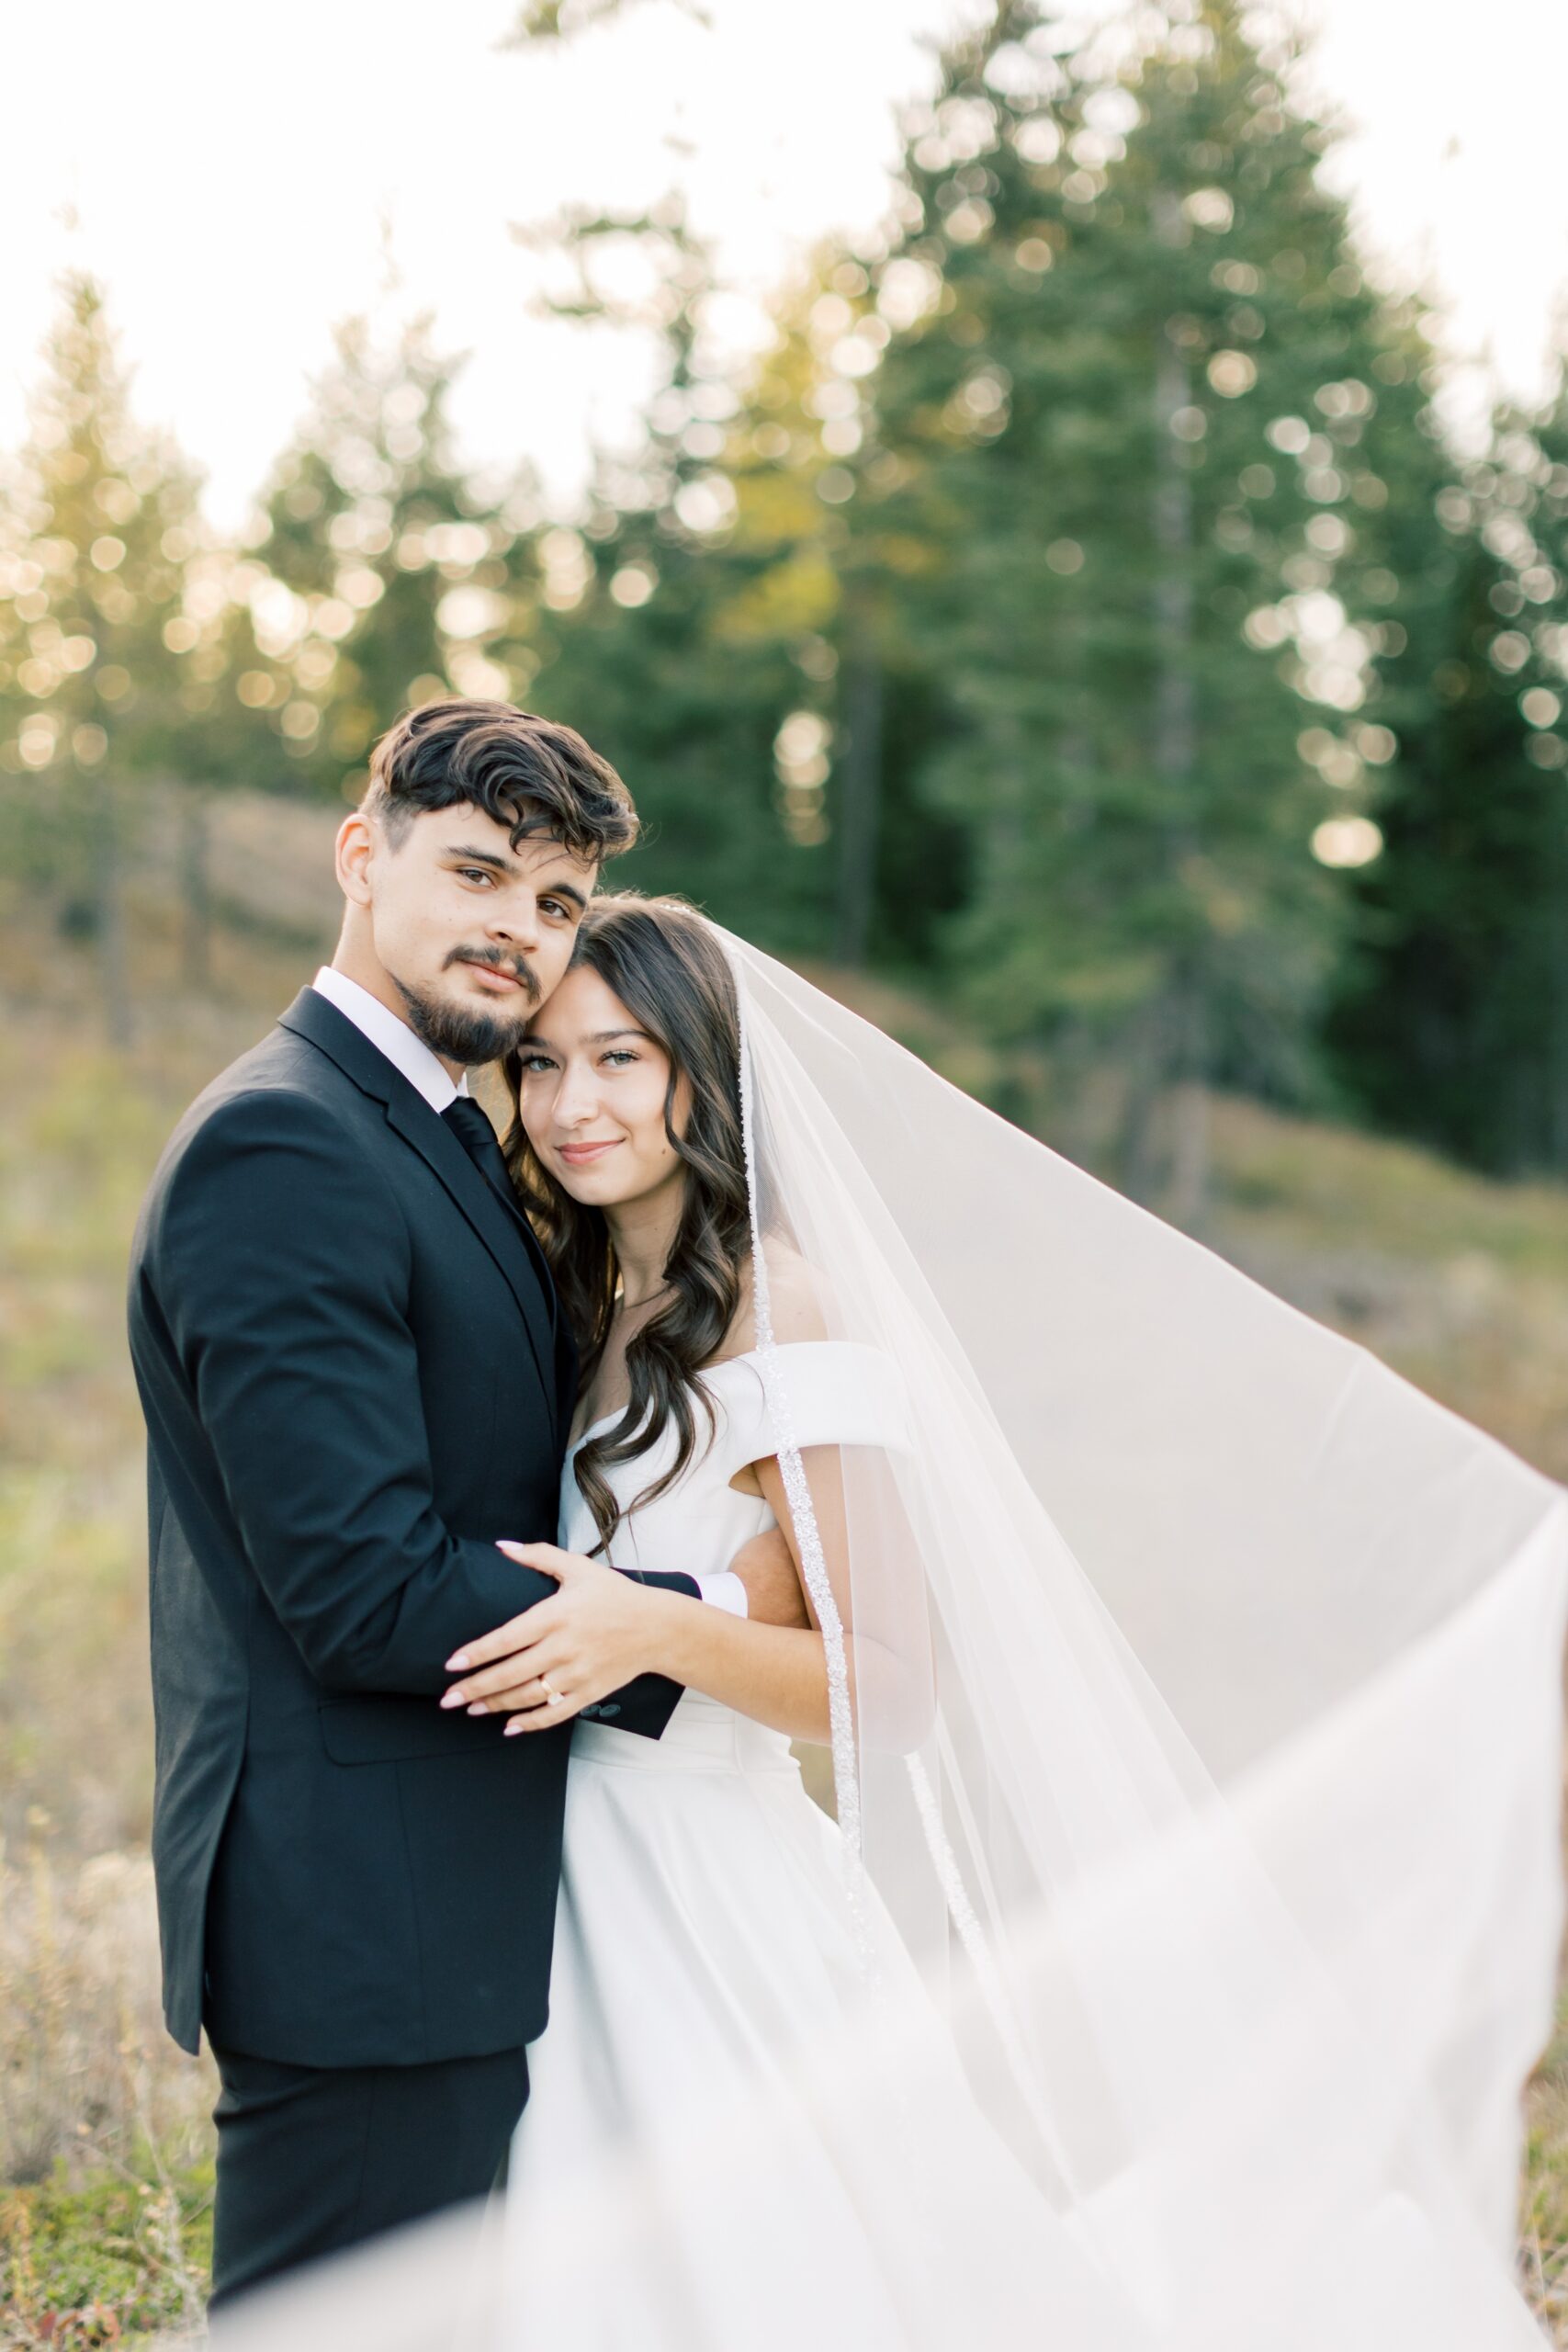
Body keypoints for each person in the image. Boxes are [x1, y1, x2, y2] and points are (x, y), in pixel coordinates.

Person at [419, 890, 1565, 2352]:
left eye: (621, 1059)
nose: (573, 1103)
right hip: (559, 1879)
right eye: (542, 1063)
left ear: (701, 1074)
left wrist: (648, 1633)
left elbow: (891, 1682)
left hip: (705, 1888)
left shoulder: (785, 1308)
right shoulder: (582, 1305)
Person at [126, 703, 802, 2310]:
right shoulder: (287, 1144)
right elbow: (361, 1588)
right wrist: (686, 1628)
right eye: (480, 874)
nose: (518, 930)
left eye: (556, 903)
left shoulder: (440, 1139)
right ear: (363, 858)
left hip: (480, 1903)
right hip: (367, 1914)